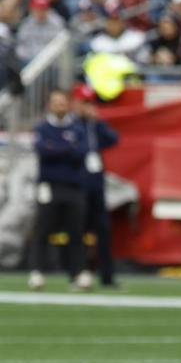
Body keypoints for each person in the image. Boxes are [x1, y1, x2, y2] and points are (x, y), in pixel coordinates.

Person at [28, 90, 90, 291]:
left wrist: (57, 148)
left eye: (62, 103)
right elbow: (43, 151)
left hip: (73, 186)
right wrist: (66, 148)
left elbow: (80, 153)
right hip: (49, 186)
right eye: (56, 103)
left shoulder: (77, 128)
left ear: (68, 105)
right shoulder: (42, 128)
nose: (59, 107)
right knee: (43, 229)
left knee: (76, 231)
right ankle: (37, 271)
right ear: (49, 105)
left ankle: (78, 273)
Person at [73, 83, 120, 288]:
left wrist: (98, 122)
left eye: (90, 102)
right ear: (75, 103)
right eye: (84, 102)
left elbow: (113, 139)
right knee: (78, 231)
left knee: (104, 231)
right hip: (78, 184)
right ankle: (79, 274)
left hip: (96, 184)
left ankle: (107, 278)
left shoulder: (96, 125)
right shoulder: (71, 125)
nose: (88, 107)